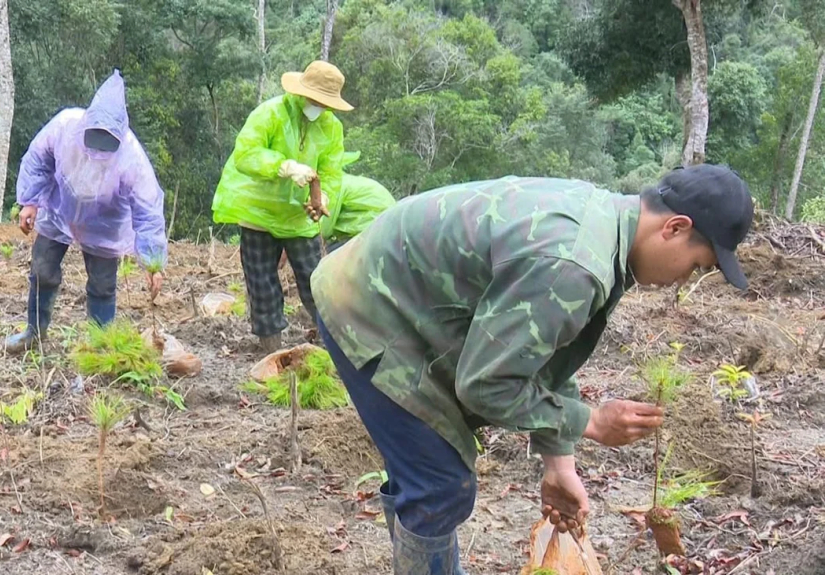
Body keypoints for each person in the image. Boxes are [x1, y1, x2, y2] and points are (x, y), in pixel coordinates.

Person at [311, 164, 755, 574]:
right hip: (367, 306)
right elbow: (483, 385)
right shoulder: (574, 265)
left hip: (397, 294)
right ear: (675, 227)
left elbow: (541, 352)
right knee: (441, 485)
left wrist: (559, 462)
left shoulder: (603, 220)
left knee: (426, 475)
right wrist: (590, 421)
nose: (684, 280)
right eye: (696, 265)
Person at [6, 70, 167, 354]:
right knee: (42, 269)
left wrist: (153, 263)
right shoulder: (65, 126)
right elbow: (38, 160)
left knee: (103, 285)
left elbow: (148, 211)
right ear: (86, 123)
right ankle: (34, 332)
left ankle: (99, 347)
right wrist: (30, 201)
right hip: (60, 209)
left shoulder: (132, 158)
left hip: (105, 223)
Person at [212, 60, 352, 354]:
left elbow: (332, 171)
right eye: (315, 100)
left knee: (316, 283)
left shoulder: (331, 128)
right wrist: (284, 166)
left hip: (298, 218)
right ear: (302, 92)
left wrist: (323, 196)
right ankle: (272, 352)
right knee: (262, 283)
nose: (319, 107)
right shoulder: (270, 113)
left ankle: (334, 352)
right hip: (258, 214)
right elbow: (246, 154)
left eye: (325, 103)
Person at [320, 150, 396, 253]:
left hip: (370, 234)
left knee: (325, 260)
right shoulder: (351, 181)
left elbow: (323, 228)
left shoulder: (335, 187)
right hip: (390, 235)